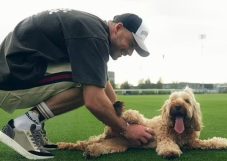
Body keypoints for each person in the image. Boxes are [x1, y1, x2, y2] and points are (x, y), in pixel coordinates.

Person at [0, 8, 154, 159]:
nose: (130, 52)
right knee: (87, 82)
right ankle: (23, 126)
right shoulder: (94, 36)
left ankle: (33, 124)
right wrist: (126, 129)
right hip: (9, 81)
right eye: (132, 44)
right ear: (118, 28)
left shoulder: (93, 29)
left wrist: (122, 118)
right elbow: (94, 99)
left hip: (15, 72)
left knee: (90, 76)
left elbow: (104, 82)